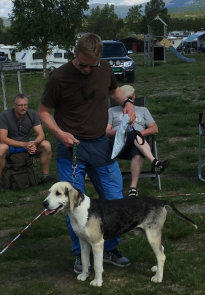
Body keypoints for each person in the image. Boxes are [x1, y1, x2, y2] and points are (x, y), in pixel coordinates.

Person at [38, 33, 136, 274]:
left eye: (91, 65)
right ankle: (81, 256)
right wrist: (60, 133)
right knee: (72, 204)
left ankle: (109, 248)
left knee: (113, 199)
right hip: (70, 149)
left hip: (101, 146)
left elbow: (114, 91)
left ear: (100, 57)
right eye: (82, 64)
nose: (86, 69)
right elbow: (43, 111)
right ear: (75, 53)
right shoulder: (59, 77)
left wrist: (127, 103)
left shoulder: (103, 69)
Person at [106, 85, 169, 196]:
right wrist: (120, 131)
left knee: (137, 150)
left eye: (130, 97)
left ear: (134, 97)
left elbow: (155, 129)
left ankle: (133, 188)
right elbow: (105, 132)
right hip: (119, 145)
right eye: (126, 98)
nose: (128, 100)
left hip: (139, 145)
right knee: (130, 133)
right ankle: (155, 162)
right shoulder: (111, 111)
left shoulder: (143, 110)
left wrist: (140, 133)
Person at [0, 93, 57, 192]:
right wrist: (25, 145)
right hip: (10, 145)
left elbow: (41, 135)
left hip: (27, 144)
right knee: (1, 149)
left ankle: (45, 177)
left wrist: (33, 144)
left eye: (25, 105)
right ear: (14, 105)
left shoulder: (32, 114)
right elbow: (3, 139)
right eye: (20, 105)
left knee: (46, 145)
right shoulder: (5, 115)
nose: (23, 108)